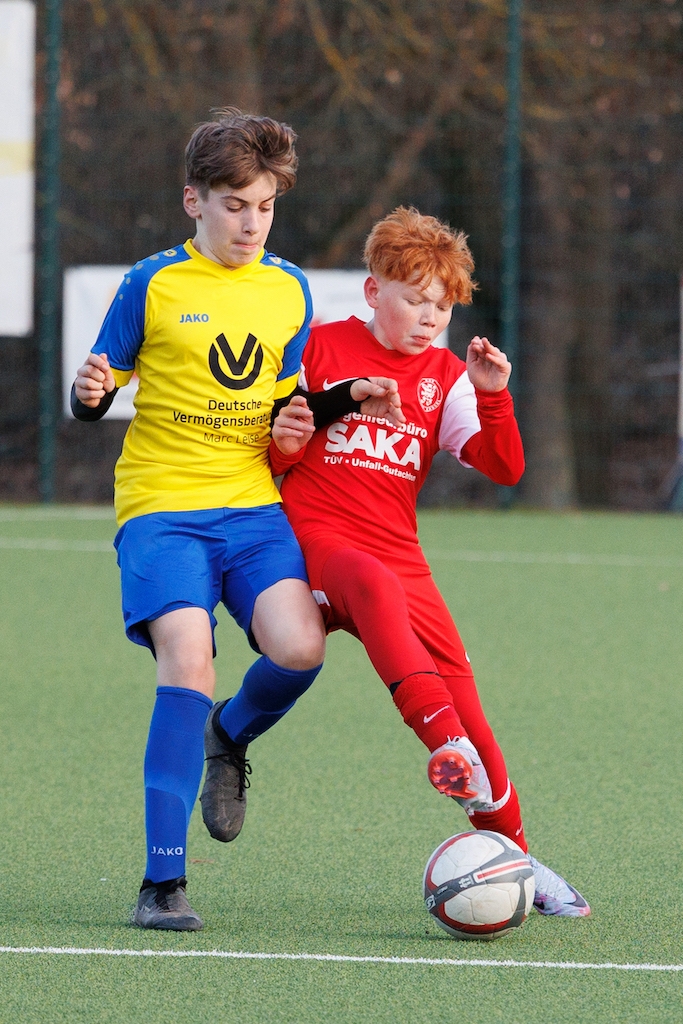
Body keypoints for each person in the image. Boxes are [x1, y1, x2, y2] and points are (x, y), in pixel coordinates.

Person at [71, 108, 401, 932]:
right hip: (164, 508)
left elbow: (286, 402)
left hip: (252, 506)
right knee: (188, 660)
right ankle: (162, 883)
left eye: (264, 207)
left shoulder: (287, 289)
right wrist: (89, 394)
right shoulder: (151, 283)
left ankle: (231, 736)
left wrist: (339, 399)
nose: (251, 224)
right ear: (194, 201)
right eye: (234, 205)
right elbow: (98, 388)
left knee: (300, 648)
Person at [269, 206, 590, 918]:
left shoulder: (445, 375)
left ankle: (520, 863)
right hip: (320, 543)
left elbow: (505, 468)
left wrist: (492, 394)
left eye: (440, 308)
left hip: (400, 556)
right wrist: (293, 437)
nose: (427, 318)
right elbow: (272, 452)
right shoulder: (316, 347)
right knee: (374, 588)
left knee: (474, 715)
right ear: (372, 290)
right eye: (414, 300)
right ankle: (444, 744)